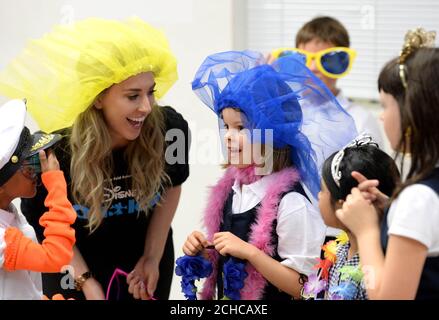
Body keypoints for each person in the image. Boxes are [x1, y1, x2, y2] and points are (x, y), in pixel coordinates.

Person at [0, 17, 190, 300]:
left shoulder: (170, 129)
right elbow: (44, 220)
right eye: (132, 96)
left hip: (143, 265)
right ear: (98, 97)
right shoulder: (58, 149)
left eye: (150, 92)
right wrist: (86, 282)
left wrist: (152, 256)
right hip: (71, 265)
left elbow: (173, 184)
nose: (146, 106)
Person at [181, 50, 356, 300]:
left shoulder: (291, 203)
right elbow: (229, 265)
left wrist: (251, 253)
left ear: (272, 134)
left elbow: (303, 287)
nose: (229, 136)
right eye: (226, 126)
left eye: (241, 128)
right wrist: (204, 252)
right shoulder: (231, 190)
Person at [335, 28, 439, 299]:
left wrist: (367, 230)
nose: (381, 117)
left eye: (385, 105)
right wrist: (390, 209)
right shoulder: (423, 196)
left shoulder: (419, 199)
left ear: (411, 113)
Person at [301, 134, 400, 300]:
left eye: (323, 190)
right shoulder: (338, 250)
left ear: (345, 203)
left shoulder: (376, 262)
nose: (319, 196)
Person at [0, 99, 76, 299]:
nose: (38, 172)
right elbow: (55, 257)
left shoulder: (10, 214)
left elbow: (18, 283)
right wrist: (56, 184)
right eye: (29, 166)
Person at [270, 16, 383, 148]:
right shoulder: (284, 113)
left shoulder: (360, 120)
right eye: (304, 58)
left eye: (326, 60)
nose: (312, 68)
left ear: (342, 62)